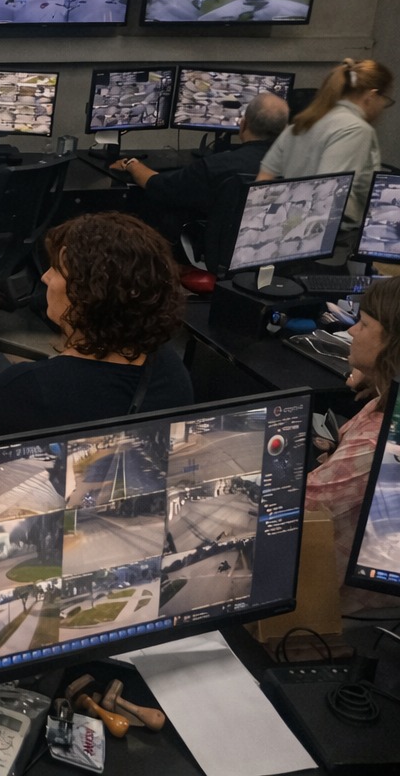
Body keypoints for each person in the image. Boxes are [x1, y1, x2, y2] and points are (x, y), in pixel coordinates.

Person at [0, 212, 193, 441]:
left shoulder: (34, 388)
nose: (45, 277)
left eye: (57, 270)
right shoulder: (169, 368)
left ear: (86, 294)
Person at [305, 277, 400, 614]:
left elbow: (298, 507)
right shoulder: (389, 402)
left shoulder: (377, 442)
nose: (351, 331)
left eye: (364, 324)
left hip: (347, 605)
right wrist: (377, 375)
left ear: (392, 345)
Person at [257, 58, 395, 266]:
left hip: (282, 244)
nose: (383, 108)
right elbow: (327, 196)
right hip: (324, 252)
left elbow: (263, 182)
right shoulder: (356, 130)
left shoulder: (302, 123)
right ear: (372, 95)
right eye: (385, 100)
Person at [111, 92, 289, 217]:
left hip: (214, 248)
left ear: (243, 125)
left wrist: (132, 165)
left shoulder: (216, 166)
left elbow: (158, 186)